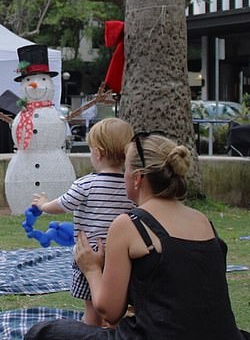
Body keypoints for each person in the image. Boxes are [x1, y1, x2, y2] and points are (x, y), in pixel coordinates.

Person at [25, 133, 250, 340]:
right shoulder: (203, 221)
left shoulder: (130, 224)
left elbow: (110, 312)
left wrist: (91, 269)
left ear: (137, 178)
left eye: (125, 170)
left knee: (43, 333)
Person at [32, 117, 135, 326]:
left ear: (97, 153)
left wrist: (43, 205)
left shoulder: (86, 184)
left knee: (92, 307)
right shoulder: (131, 187)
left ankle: (88, 330)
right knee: (116, 304)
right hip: (120, 258)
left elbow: (63, 204)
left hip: (89, 255)